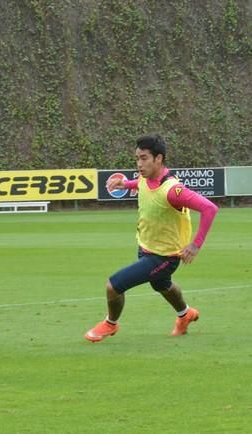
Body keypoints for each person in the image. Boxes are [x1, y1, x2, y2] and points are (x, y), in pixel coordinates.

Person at [84, 134, 218, 342]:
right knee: (161, 285)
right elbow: (140, 184)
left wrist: (195, 245)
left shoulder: (173, 190)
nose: (139, 163)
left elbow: (209, 208)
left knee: (114, 285)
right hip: (146, 247)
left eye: (144, 158)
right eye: (137, 158)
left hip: (164, 257)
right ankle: (185, 315)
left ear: (159, 159)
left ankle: (110, 324)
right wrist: (124, 184)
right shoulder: (145, 179)